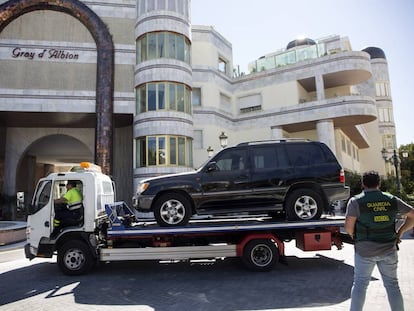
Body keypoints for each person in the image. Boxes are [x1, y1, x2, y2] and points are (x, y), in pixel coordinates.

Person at [345, 171, 414, 311]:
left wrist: (355, 237)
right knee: (392, 285)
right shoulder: (391, 199)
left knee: (360, 285)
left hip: (364, 250)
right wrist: (400, 232)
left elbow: (348, 227)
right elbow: (412, 215)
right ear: (379, 183)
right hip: (389, 248)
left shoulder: (355, 201)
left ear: (363, 184)